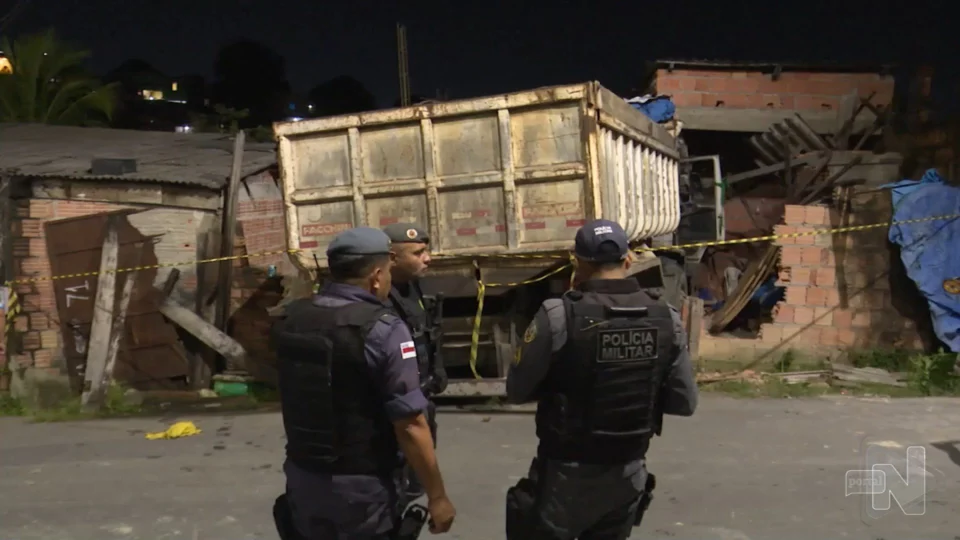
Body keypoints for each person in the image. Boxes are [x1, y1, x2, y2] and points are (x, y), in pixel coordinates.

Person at [504, 219, 699, 540]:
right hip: (628, 472)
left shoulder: (558, 314)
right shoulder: (667, 317)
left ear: (577, 262)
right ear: (628, 260)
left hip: (566, 475)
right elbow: (685, 402)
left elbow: (516, 390)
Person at [271, 227, 456, 539]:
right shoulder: (382, 329)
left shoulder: (293, 318)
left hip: (303, 477)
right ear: (376, 275)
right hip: (363, 490)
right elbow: (410, 424)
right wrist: (437, 496)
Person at [382, 223, 448, 499]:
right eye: (418, 252)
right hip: (398, 409)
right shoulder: (380, 297)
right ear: (392, 258)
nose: (428, 257)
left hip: (422, 397)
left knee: (416, 482)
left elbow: (427, 333)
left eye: (426, 250)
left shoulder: (414, 287)